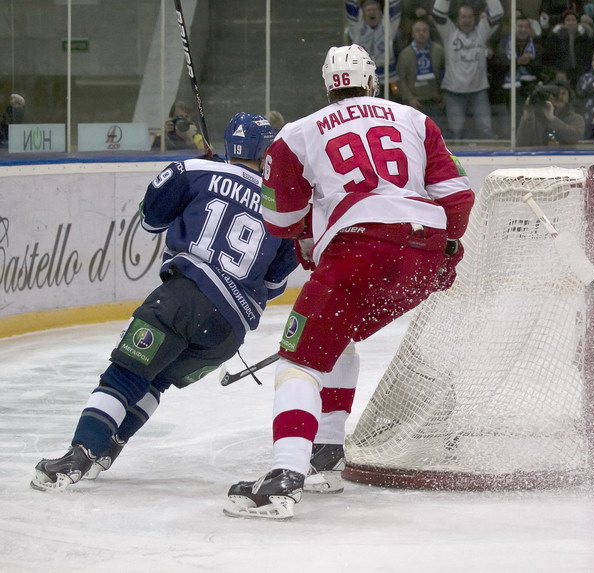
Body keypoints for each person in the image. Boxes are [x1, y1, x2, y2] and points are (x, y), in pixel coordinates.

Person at [224, 44, 475, 520]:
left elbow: (280, 219)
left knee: (298, 363)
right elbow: (457, 198)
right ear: (372, 81)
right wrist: (446, 249)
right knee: (337, 342)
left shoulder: (297, 133)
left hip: (357, 254)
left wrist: (310, 227)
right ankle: (325, 454)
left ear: (328, 85)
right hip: (419, 259)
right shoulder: (415, 119)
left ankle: (284, 475)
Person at [31, 113, 298, 491]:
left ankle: (81, 454)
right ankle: (110, 447)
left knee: (126, 373)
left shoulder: (194, 170)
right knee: (157, 380)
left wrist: (204, 177)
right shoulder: (282, 203)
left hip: (182, 298)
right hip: (228, 331)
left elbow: (150, 220)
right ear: (267, 152)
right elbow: (273, 285)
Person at [432, 0, 505, 139]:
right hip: (453, 92)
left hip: (478, 90)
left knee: (486, 130)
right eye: (463, 17)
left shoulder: (482, 31)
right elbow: (437, 13)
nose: (467, 20)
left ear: (475, 18)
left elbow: (498, 14)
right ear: (457, 19)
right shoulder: (449, 32)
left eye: (470, 17)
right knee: (456, 132)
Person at [397, 18, 446, 131]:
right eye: (418, 31)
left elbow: (445, 74)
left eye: (425, 30)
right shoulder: (405, 54)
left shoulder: (438, 51)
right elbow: (401, 80)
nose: (421, 33)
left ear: (429, 32)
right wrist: (410, 98)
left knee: (435, 133)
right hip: (415, 103)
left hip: (434, 101)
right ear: (413, 34)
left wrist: (443, 94)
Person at [346, 0, 402, 92]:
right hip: (362, 78)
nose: (372, 12)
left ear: (380, 12)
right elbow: (351, 7)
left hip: (386, 77)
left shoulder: (388, 26)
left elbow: (394, 9)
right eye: (369, 10)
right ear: (363, 12)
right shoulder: (357, 27)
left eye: (375, 9)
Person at [516, 80, 584, 146]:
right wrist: (527, 117)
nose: (559, 97)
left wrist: (552, 119)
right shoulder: (536, 118)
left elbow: (573, 138)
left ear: (569, 97)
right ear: (548, 96)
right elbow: (521, 145)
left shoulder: (575, 119)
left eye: (563, 93)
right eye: (555, 94)